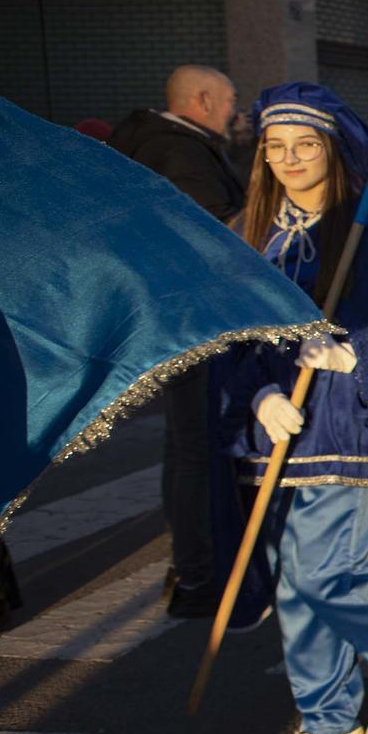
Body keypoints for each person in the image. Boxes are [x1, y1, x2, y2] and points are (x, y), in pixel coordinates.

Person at [211, 84, 368, 734]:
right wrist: (259, 394)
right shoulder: (248, 233)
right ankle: (326, 711)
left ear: (334, 150)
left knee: (328, 571)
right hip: (277, 434)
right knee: (291, 584)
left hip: (351, 430)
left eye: (305, 144)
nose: (289, 159)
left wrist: (355, 354)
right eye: (275, 147)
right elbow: (224, 341)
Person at [108, 65, 247, 619]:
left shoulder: (154, 140)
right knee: (196, 449)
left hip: (173, 318)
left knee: (187, 446)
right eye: (231, 100)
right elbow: (217, 237)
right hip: (193, 320)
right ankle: (200, 572)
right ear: (203, 99)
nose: (237, 113)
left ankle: (196, 564)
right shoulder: (180, 153)